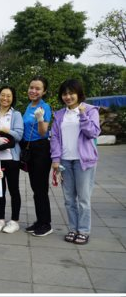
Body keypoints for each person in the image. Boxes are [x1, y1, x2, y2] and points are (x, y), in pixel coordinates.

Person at [50, 79, 101, 246]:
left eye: (71, 93)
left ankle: (84, 231)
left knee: (84, 199)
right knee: (69, 199)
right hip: (65, 161)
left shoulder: (91, 110)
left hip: (83, 161)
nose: (68, 96)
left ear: (78, 94)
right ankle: (73, 229)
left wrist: (82, 115)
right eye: (64, 93)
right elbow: (55, 138)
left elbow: (93, 133)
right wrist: (55, 159)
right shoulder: (59, 115)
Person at [0, 85, 25, 234]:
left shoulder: (16, 115)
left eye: (8, 96)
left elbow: (19, 135)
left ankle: (14, 221)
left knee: (14, 189)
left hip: (11, 158)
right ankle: (1, 219)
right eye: (2, 95)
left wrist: (6, 131)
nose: (5, 98)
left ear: (12, 98)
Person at [22, 76, 54, 237]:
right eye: (31, 87)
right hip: (29, 148)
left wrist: (40, 118)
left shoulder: (44, 107)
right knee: (35, 188)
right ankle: (40, 221)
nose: (33, 91)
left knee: (41, 188)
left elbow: (43, 133)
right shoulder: (28, 106)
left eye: (38, 88)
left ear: (44, 91)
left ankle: (46, 224)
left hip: (41, 149)